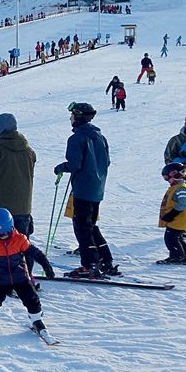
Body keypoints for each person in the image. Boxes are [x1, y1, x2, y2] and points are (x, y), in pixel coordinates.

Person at [0, 208, 56, 344]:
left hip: (21, 279)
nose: (3, 237)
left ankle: (36, 320)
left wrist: (46, 266)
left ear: (11, 226)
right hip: (0, 281)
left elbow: (36, 253)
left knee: (32, 299)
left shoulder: (20, 239)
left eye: (6, 233)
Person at [54, 102, 115, 278]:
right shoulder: (100, 137)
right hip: (97, 188)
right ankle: (105, 259)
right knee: (90, 225)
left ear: (79, 117)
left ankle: (90, 264)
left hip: (83, 189)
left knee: (82, 227)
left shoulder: (76, 138)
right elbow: (107, 162)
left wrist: (60, 167)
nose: (70, 118)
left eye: (72, 115)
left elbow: (74, 164)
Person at [157, 162, 186, 264]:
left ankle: (177, 256)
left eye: (167, 178)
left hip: (178, 220)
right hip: (178, 220)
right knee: (177, 238)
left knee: (170, 239)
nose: (167, 181)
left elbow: (183, 203)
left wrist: (172, 214)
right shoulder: (177, 187)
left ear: (175, 174)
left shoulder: (181, 188)